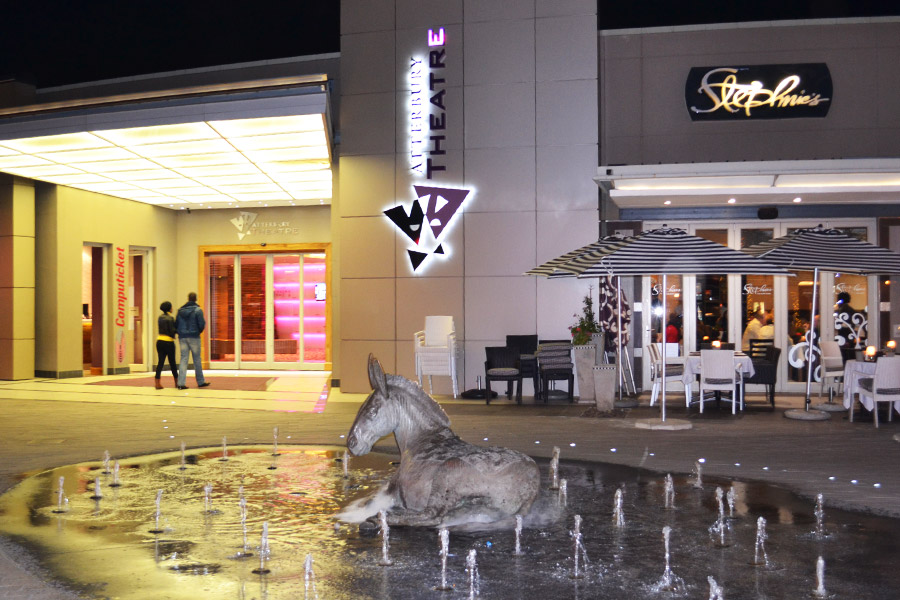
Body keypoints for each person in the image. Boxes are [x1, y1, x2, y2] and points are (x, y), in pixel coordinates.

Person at [175, 292, 210, 390]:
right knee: (197, 359)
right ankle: (200, 381)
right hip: (194, 337)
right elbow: (201, 324)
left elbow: (176, 324)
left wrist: (180, 333)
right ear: (195, 299)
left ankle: (181, 383)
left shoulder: (180, 311)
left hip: (182, 337)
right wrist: (197, 332)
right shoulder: (198, 310)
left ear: (188, 299)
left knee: (183, 359)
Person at [154, 301, 178, 389]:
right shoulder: (170, 318)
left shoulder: (160, 317)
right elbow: (172, 331)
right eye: (171, 307)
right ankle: (177, 382)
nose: (172, 308)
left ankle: (157, 383)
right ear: (169, 309)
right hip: (169, 342)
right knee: (172, 363)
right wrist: (176, 332)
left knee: (160, 362)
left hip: (159, 341)